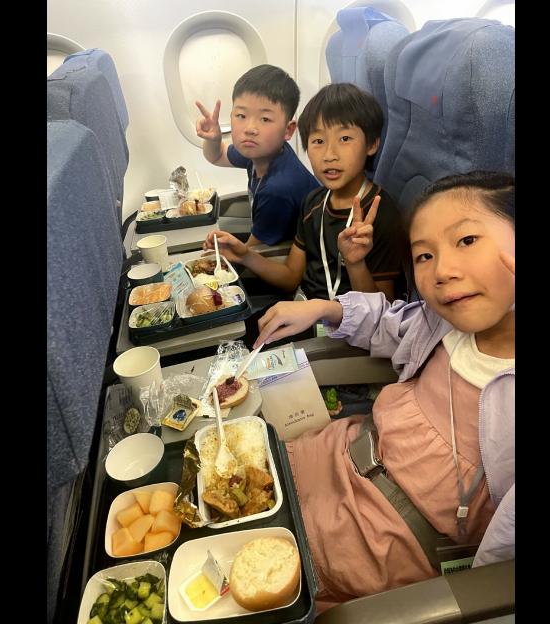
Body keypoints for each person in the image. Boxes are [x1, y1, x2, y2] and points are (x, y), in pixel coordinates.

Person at [254, 171, 515, 611]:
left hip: (385, 536)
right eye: (425, 255)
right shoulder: (444, 323)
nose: (442, 271)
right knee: (241, 482)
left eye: (467, 240)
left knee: (259, 577)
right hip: (343, 453)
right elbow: (390, 320)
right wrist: (323, 308)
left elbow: (497, 570)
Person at [202, 83, 405, 301]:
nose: (329, 155)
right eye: (318, 141)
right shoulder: (313, 203)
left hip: (343, 320)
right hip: (304, 306)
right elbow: (291, 277)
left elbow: (383, 311)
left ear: (372, 144)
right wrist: (244, 255)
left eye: (344, 139)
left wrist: (355, 264)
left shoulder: (381, 214)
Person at [196, 64, 319, 246]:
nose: (250, 129)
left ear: (288, 130)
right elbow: (217, 155)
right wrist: (214, 139)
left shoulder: (278, 189)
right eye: (241, 115)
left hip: (291, 257)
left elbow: (252, 251)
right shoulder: (261, 152)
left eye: (265, 119)